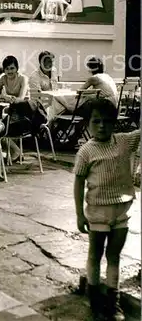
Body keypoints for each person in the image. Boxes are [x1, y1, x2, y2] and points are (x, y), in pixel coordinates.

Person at [73, 98, 140, 321]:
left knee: (114, 256)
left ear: (115, 123)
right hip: (98, 213)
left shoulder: (123, 142)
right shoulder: (86, 152)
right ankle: (93, 297)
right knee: (95, 254)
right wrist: (79, 214)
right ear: (87, 124)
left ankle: (114, 302)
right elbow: (79, 183)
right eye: (96, 121)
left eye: (108, 121)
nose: (102, 126)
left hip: (122, 212)